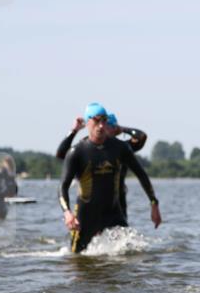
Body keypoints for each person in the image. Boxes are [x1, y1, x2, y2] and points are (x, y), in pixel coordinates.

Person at [59, 103, 162, 253]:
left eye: (104, 121)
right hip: (86, 216)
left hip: (113, 213)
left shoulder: (120, 148)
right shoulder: (77, 152)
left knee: (131, 253)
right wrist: (67, 213)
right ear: (87, 122)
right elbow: (63, 186)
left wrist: (154, 203)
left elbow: (141, 174)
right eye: (96, 121)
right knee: (77, 259)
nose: (101, 126)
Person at [56, 109, 147, 223]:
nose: (102, 126)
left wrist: (122, 129)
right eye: (100, 123)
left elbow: (141, 137)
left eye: (107, 124)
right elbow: (61, 154)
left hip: (117, 205)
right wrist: (74, 130)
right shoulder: (86, 147)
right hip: (90, 205)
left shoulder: (122, 149)